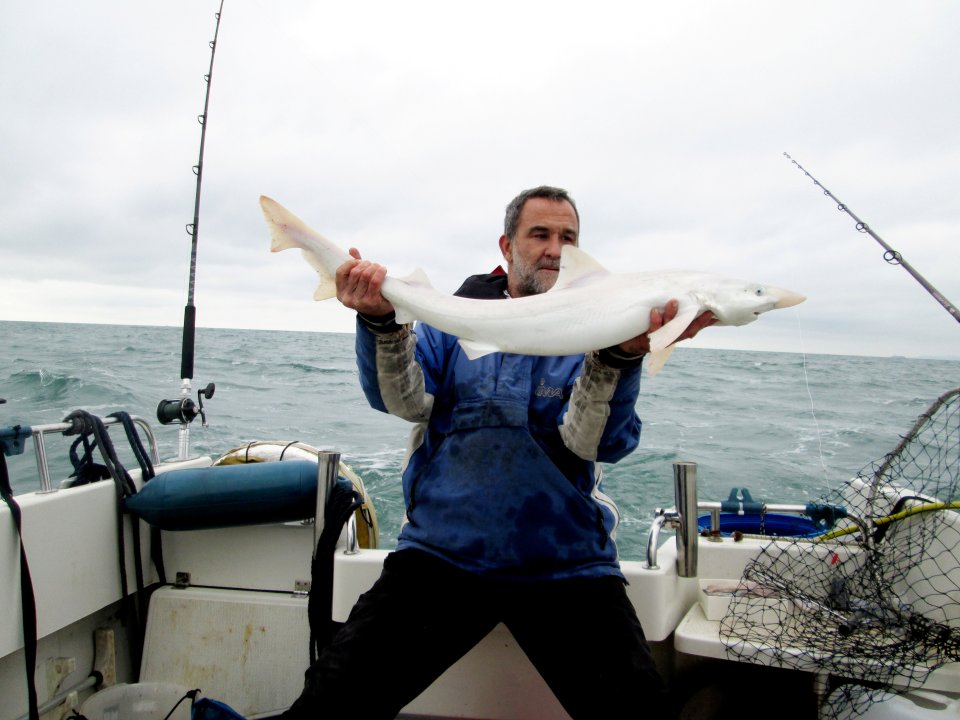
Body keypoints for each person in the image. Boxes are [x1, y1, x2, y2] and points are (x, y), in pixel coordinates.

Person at [283, 186, 715, 719]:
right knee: (327, 707)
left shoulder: (602, 327)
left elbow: (594, 443)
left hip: (567, 566)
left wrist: (620, 356)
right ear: (507, 245)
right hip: (442, 557)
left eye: (568, 237)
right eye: (541, 235)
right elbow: (405, 401)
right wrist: (380, 322)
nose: (555, 248)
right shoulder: (454, 318)